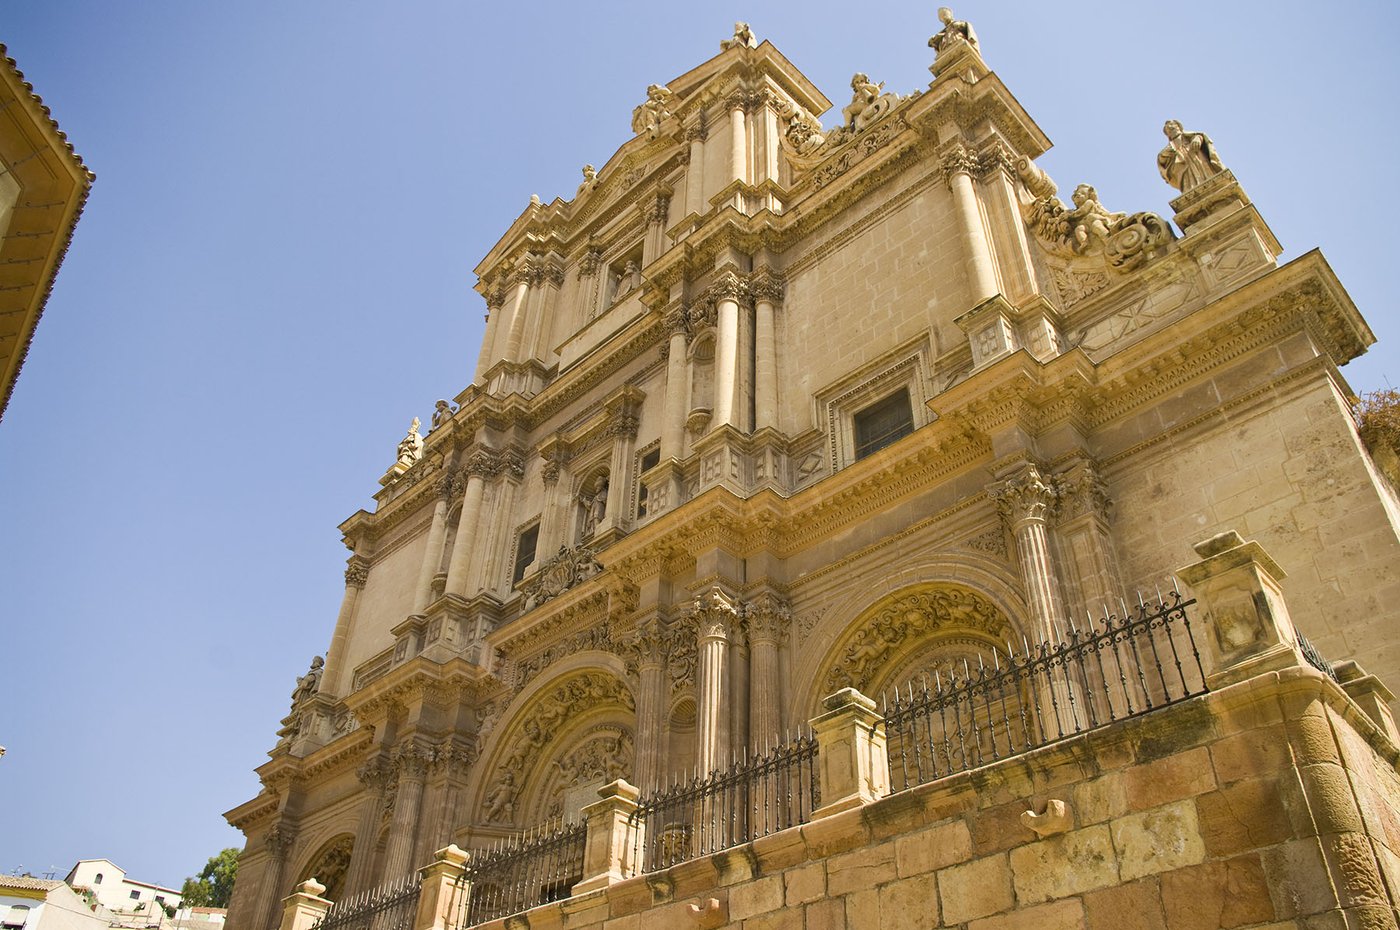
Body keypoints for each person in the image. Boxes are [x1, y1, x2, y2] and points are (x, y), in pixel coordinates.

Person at [1157, 120, 1224, 193]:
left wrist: (1198, 138)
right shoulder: (1168, 149)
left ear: (1179, 127)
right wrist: (1164, 154)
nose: (1170, 127)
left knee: (1202, 167)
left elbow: (1200, 136)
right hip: (1183, 166)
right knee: (1187, 178)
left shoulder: (1189, 136)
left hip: (1195, 155)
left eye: (1172, 125)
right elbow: (1162, 162)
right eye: (1168, 129)